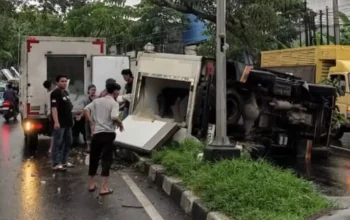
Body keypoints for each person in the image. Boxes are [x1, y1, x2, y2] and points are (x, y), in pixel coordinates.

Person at [84, 82, 124, 196]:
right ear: (115, 91)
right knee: (106, 160)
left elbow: (86, 110)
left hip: (97, 134)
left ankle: (91, 184)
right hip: (108, 134)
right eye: (118, 91)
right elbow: (114, 117)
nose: (118, 93)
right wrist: (120, 124)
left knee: (94, 158)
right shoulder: (114, 103)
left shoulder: (97, 101)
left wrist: (91, 123)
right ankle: (104, 187)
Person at [50, 74, 74, 171]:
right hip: (60, 123)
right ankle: (55, 163)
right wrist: (56, 122)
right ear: (57, 83)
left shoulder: (65, 93)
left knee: (68, 142)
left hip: (67, 122)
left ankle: (63, 161)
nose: (64, 83)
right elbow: (54, 108)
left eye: (65, 81)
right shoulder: (55, 93)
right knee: (57, 143)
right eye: (62, 81)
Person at [76, 84, 97, 153]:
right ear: (88, 91)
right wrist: (80, 115)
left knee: (95, 133)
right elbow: (85, 109)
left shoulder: (98, 99)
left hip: (96, 119)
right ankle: (89, 147)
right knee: (88, 133)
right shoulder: (86, 100)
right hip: (88, 119)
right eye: (92, 90)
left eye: (94, 90)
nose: (93, 91)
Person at [43, 80, 54, 154]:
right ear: (51, 85)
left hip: (49, 114)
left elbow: (45, 105)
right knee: (56, 132)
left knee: (54, 132)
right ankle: (52, 148)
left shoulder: (47, 94)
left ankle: (51, 148)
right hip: (53, 113)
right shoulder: (53, 93)